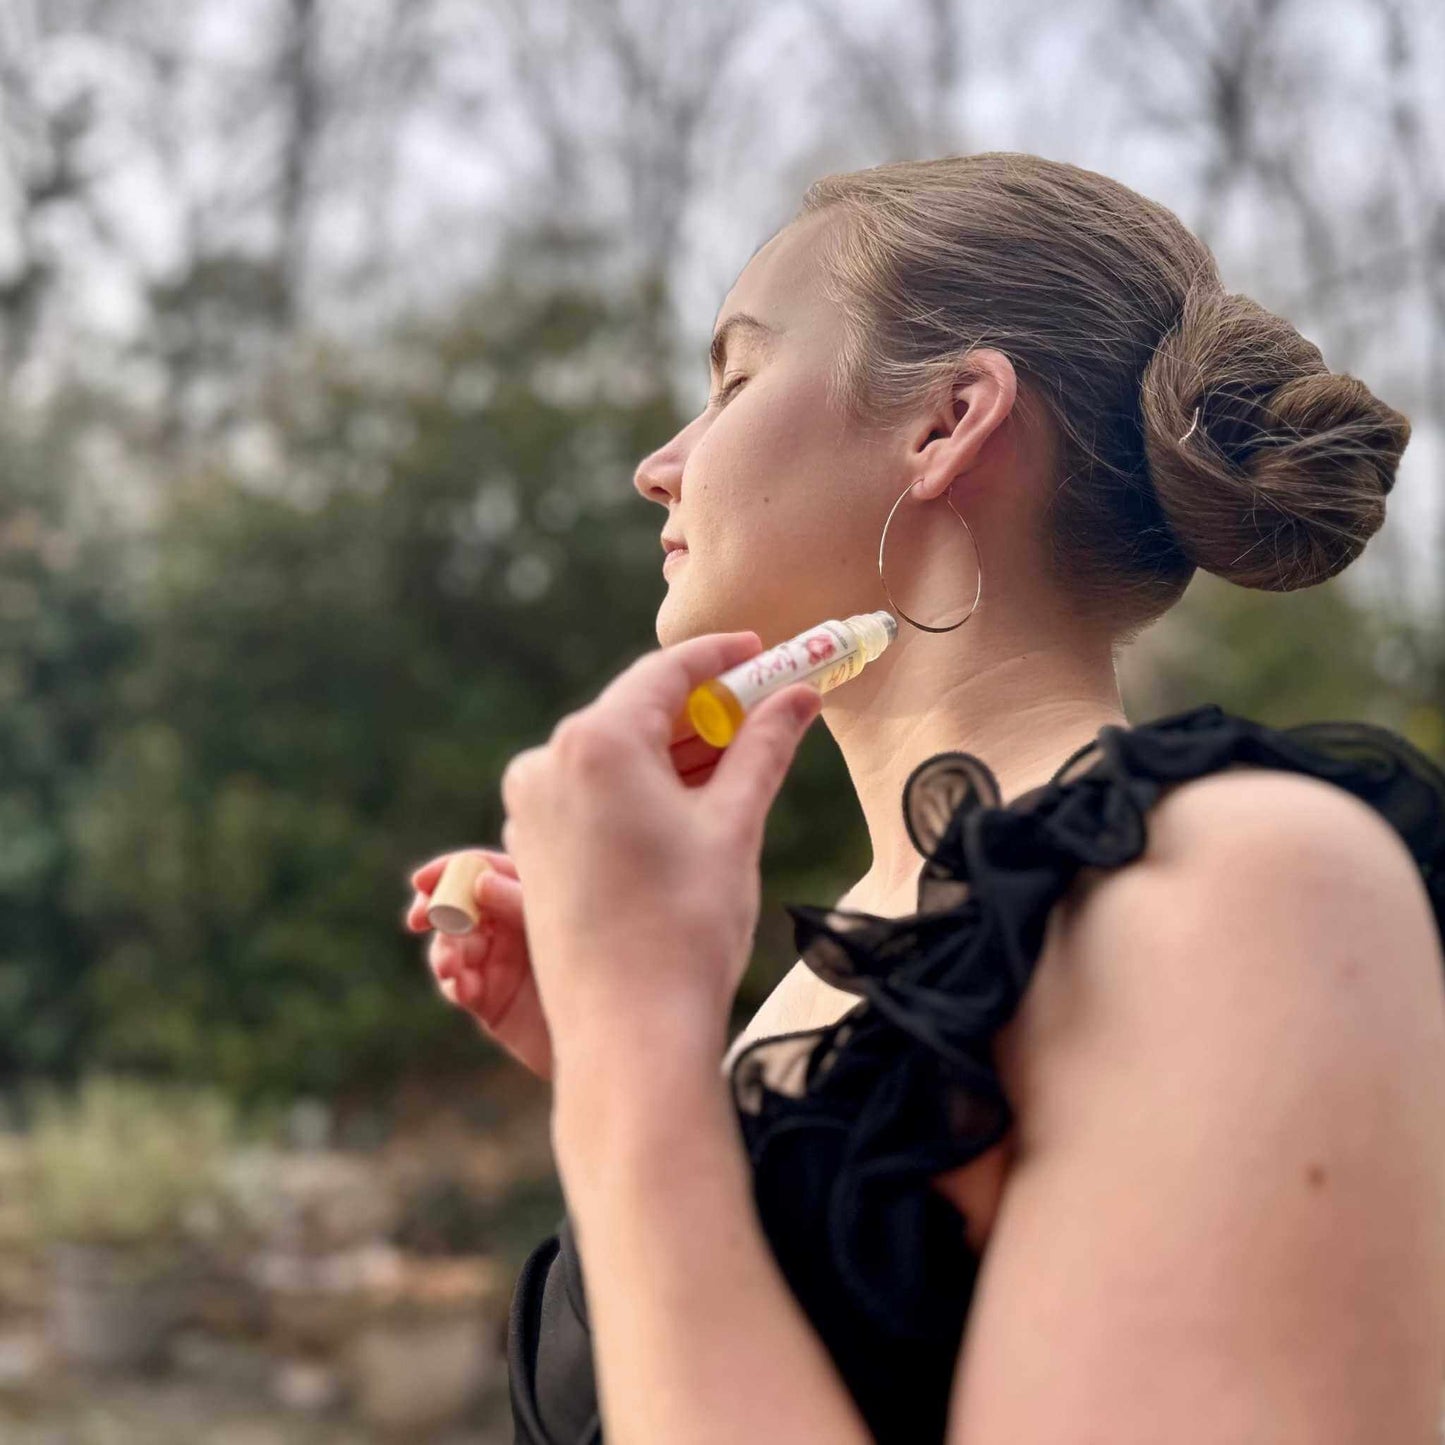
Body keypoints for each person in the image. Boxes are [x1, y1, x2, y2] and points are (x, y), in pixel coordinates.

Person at [405, 152, 1445, 1443]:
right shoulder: (824, 970)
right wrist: (628, 1044)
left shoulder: (1245, 887)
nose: (659, 466)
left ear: (948, 421)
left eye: (734, 380)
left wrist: (629, 1055)